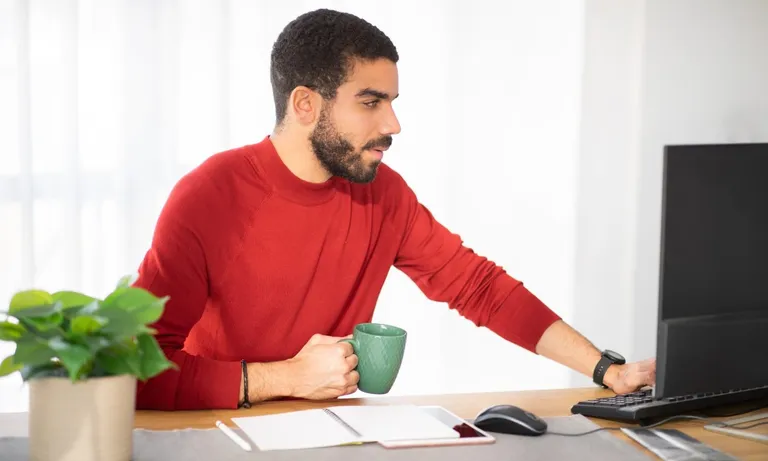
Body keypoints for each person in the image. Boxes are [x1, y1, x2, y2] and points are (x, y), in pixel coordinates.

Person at [133, 8, 655, 410]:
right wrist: (284, 378)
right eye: (370, 102)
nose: (393, 124)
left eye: (393, 102)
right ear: (305, 104)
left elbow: (479, 287)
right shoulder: (209, 197)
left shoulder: (384, 194)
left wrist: (607, 371)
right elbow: (136, 367)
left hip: (333, 434)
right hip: (221, 436)